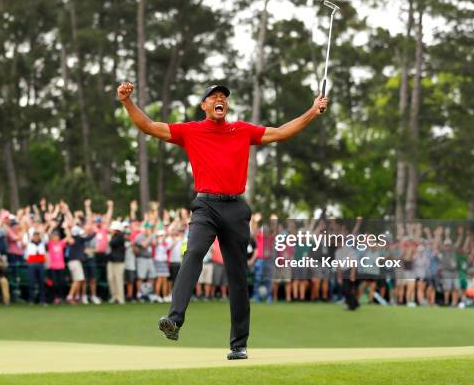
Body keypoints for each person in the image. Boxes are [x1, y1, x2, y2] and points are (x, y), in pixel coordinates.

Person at [118, 81, 328, 360]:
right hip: (205, 206)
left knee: (238, 275)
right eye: (214, 97)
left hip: (236, 208)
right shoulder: (191, 130)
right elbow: (148, 126)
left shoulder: (240, 130)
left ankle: (238, 344)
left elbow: (279, 133)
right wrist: (127, 101)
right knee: (193, 253)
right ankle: (174, 320)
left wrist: (313, 111)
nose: (220, 100)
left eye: (224, 98)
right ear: (204, 105)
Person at [107, 221, 126, 304]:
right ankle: (114, 296)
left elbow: (111, 243)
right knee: (111, 279)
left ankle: (120, 297)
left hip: (118, 262)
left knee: (118, 279)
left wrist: (110, 237)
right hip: (112, 261)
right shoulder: (115, 236)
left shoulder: (120, 236)